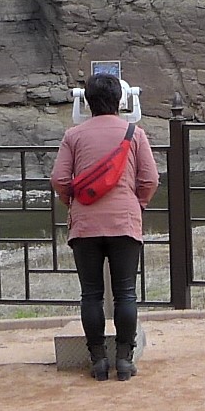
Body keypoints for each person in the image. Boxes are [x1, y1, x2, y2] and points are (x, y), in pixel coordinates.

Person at [50, 73, 159, 381]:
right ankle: (124, 359)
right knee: (126, 292)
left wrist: (72, 202)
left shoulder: (73, 135)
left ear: (86, 101)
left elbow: (59, 179)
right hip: (124, 220)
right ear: (121, 101)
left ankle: (97, 358)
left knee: (91, 294)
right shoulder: (133, 134)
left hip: (85, 223)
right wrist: (138, 203)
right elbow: (150, 179)